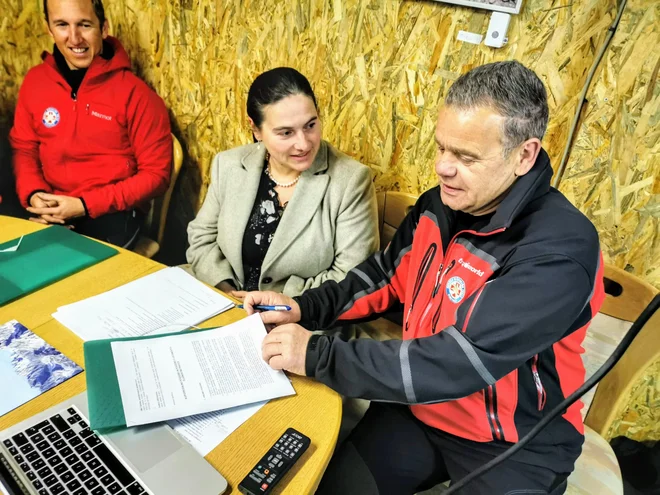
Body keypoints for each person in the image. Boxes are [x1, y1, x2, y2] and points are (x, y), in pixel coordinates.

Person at [243, 61, 606, 494]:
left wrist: (318, 355)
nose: (444, 169)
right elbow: (384, 277)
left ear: (524, 155)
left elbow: (459, 361)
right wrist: (306, 306)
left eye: (466, 157)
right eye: (442, 149)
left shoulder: (559, 250)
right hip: (420, 410)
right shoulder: (440, 204)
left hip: (516, 440)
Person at [186, 67, 379, 299]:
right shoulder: (228, 165)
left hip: (300, 322)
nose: (304, 144)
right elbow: (201, 237)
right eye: (286, 133)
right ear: (256, 129)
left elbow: (351, 277)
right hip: (224, 302)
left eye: (310, 125)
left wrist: (276, 303)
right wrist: (228, 292)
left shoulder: (350, 181)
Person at [9, 0, 172, 248]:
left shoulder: (136, 95)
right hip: (50, 208)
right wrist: (35, 195)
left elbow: (156, 175)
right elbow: (24, 148)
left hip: (110, 213)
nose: (75, 38)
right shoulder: (35, 82)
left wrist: (84, 205)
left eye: (84, 25)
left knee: (72, 276)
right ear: (48, 29)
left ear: (103, 28)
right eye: (62, 24)